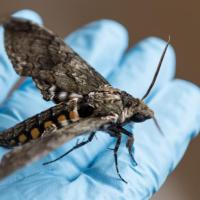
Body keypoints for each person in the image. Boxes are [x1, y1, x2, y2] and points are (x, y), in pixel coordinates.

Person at [0, 10, 199, 200]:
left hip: (65, 113)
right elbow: (113, 138)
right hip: (28, 136)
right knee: (118, 136)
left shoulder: (108, 94)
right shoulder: (113, 120)